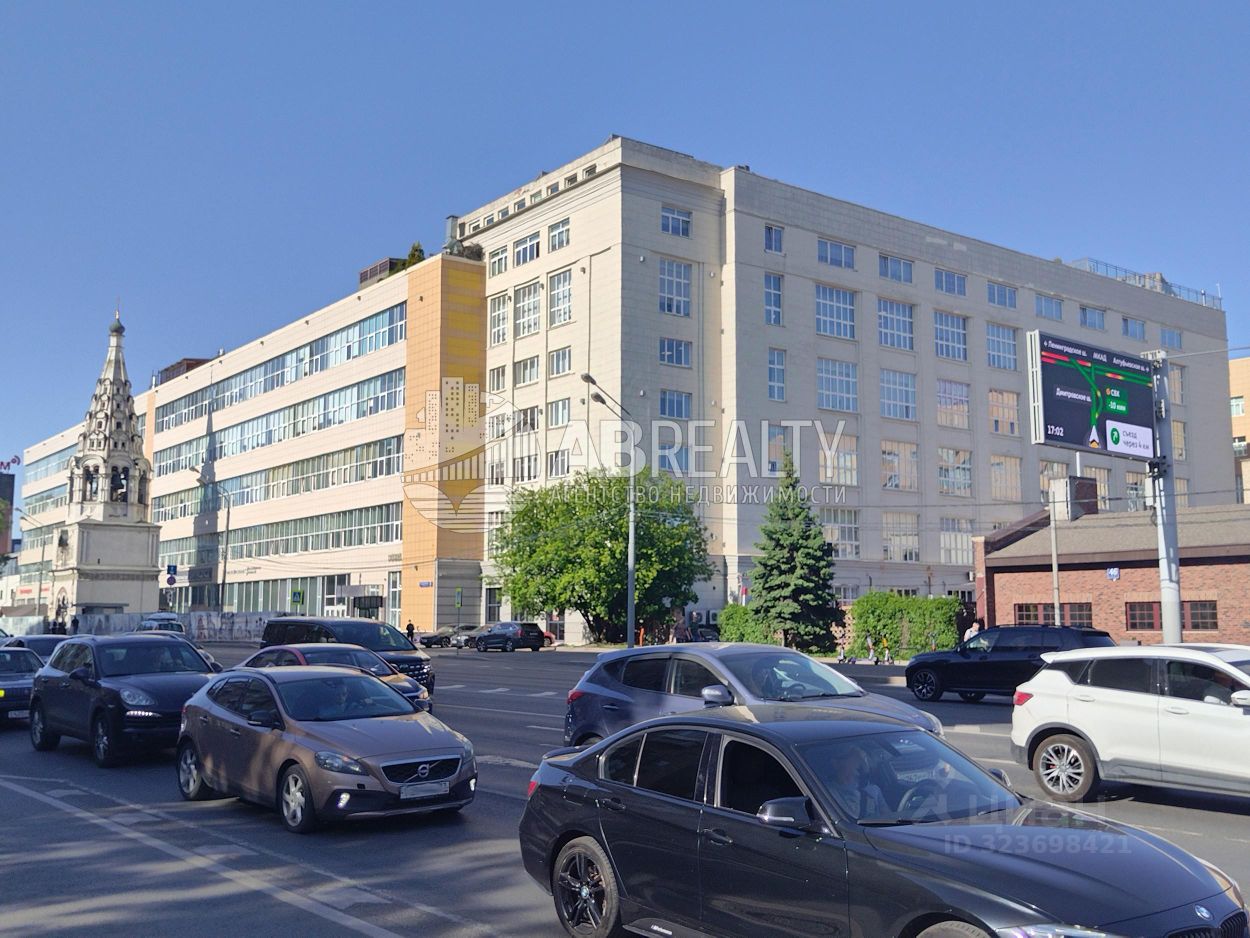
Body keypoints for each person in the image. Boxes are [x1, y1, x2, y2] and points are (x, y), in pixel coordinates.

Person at [828, 745, 888, 820]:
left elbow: (888, 817)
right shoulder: (826, 793)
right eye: (854, 760)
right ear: (836, 763)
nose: (858, 764)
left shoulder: (874, 790)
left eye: (861, 761)